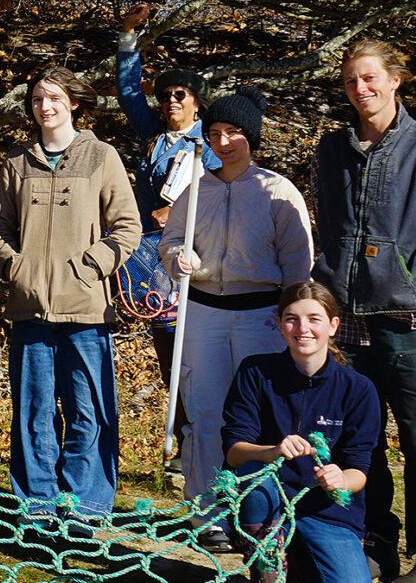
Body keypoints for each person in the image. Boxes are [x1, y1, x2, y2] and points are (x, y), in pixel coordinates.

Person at [311, 41, 416, 583]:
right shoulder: (329, 150)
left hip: (413, 325)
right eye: (351, 81)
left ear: (395, 80)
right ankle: (374, 539)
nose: (361, 89)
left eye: (370, 78)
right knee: (362, 443)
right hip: (350, 326)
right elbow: (322, 223)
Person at [159, 87, 313, 551]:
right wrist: (176, 257)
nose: (223, 142)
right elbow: (169, 241)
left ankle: (261, 513)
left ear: (253, 137)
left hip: (261, 317)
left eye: (234, 133)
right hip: (202, 313)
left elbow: (298, 265)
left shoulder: (276, 191)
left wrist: (295, 320)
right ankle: (208, 514)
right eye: (215, 134)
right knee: (204, 415)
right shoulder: (195, 188)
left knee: (260, 418)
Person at [0, 66, 139, 523]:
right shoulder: (16, 162)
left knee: (87, 412)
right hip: (30, 310)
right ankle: (36, 508)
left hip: (86, 311)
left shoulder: (101, 157)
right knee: (33, 414)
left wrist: (90, 267)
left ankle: (85, 509)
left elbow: (128, 227)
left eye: (53, 97)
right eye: (36, 99)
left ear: (74, 102)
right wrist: (16, 265)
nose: (44, 106)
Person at [223, 282, 380, 583]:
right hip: (266, 502)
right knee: (256, 469)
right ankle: (266, 559)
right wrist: (274, 450)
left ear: (333, 326)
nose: (302, 328)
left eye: (314, 319)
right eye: (292, 318)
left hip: (326, 510)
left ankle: (297, 561)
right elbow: (233, 451)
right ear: (280, 324)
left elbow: (359, 470)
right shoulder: (255, 372)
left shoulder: (358, 389)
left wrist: (340, 480)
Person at [115, 3, 220, 437]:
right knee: (166, 347)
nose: (171, 101)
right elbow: (127, 94)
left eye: (180, 95)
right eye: (165, 95)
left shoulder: (213, 143)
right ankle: (182, 440)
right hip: (151, 256)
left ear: (196, 102)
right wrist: (128, 36)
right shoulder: (155, 136)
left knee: (196, 351)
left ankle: (212, 434)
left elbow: (214, 194)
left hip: (199, 259)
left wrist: (173, 212)